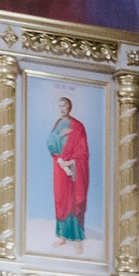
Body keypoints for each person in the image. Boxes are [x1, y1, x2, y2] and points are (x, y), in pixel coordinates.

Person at [46, 93, 90, 245]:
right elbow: (50, 143)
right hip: (60, 168)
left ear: (70, 107)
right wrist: (60, 135)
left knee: (75, 201)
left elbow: (83, 152)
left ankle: (78, 239)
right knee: (61, 199)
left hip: (74, 169)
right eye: (60, 106)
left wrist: (71, 162)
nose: (62, 109)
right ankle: (62, 236)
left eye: (65, 106)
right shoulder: (58, 124)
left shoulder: (78, 126)